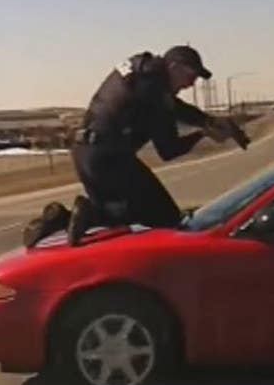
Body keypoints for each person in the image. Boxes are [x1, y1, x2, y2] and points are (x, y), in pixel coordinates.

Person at [23, 46, 249, 247]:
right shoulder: (152, 90)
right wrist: (203, 134)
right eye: (190, 77)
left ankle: (62, 218)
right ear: (174, 66)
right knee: (165, 217)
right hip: (109, 158)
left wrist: (206, 120)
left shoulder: (145, 72)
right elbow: (168, 150)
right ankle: (89, 212)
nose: (191, 85)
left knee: (124, 217)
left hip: (87, 152)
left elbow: (174, 106)